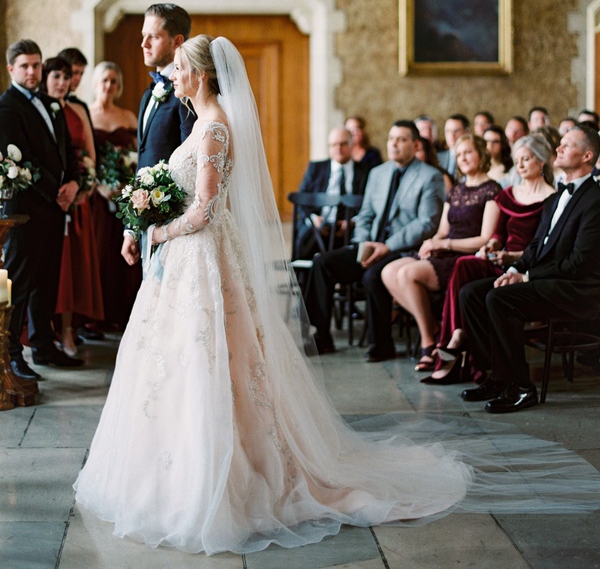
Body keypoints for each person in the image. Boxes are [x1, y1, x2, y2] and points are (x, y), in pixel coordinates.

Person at [73, 39, 600, 552]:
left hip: (202, 253)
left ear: (203, 75)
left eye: (180, 68)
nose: (171, 75)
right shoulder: (200, 123)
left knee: (217, 357)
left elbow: (207, 209)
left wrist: (158, 232)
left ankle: (229, 472)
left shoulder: (213, 129)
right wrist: (149, 213)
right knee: (189, 359)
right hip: (191, 260)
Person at [459, 124, 600, 413]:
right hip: (547, 280)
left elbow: (580, 264)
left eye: (568, 145)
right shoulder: (555, 198)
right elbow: (536, 248)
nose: (558, 148)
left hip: (577, 289)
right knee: (471, 293)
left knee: (499, 299)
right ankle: (498, 377)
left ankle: (523, 387)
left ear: (587, 156)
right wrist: (515, 271)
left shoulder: (596, 200)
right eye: (559, 143)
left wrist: (527, 276)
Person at [303, 121, 445, 358]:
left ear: (415, 144)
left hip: (402, 250)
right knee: (322, 263)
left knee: (373, 276)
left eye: (401, 139)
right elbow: (366, 214)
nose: (394, 144)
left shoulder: (430, 177)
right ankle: (322, 336)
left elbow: (426, 224)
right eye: (391, 138)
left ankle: (382, 344)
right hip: (370, 245)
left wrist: (387, 246)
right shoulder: (378, 173)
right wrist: (362, 244)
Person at [425, 134, 555, 385]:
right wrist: (493, 245)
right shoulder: (508, 194)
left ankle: (459, 343)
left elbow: (544, 246)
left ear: (541, 162)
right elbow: (498, 233)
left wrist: (513, 256)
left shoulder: (551, 198)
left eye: (526, 159)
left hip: (525, 264)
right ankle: (457, 333)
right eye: (517, 160)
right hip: (500, 259)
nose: (520, 165)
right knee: (465, 264)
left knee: (471, 283)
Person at [381, 135, 501, 371]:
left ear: (481, 155)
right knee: (388, 271)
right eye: (460, 154)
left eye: (468, 152)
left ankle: (428, 342)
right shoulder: (456, 189)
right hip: (445, 250)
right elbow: (443, 230)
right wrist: (431, 242)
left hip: (466, 257)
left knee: (407, 275)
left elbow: (485, 238)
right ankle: (436, 327)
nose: (463, 158)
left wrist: (445, 245)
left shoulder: (492, 189)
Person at [0, 40, 82, 380]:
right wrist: (55, 191)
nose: (33, 72)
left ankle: (45, 347)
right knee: (19, 286)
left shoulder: (52, 104)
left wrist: (74, 183)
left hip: (54, 208)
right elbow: (19, 158)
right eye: (25, 66)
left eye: (36, 65)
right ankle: (12, 356)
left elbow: (67, 151)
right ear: (11, 70)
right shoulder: (6, 106)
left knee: (47, 280)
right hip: (25, 210)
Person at [121, 3, 196, 268]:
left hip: (175, 225)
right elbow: (145, 162)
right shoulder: (148, 93)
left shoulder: (188, 95)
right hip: (148, 224)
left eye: (153, 36)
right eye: (143, 36)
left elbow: (191, 164)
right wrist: (133, 226)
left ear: (177, 41)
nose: (143, 43)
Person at [43, 56, 104, 357]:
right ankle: (45, 331)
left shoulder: (79, 110)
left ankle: (68, 331)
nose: (64, 82)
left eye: (68, 77)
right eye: (57, 76)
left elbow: (90, 154)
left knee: (72, 269)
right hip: (48, 200)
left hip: (77, 199)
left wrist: (85, 185)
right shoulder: (39, 108)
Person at [89, 61, 142, 330]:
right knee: (99, 251)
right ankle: (97, 317)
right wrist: (98, 183)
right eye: (104, 80)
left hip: (124, 194)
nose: (108, 86)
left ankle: (124, 314)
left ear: (118, 86)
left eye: (113, 81)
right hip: (96, 196)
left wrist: (126, 181)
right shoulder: (87, 114)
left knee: (124, 253)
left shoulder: (129, 117)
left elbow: (138, 154)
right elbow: (83, 155)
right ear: (95, 83)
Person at [294, 127, 369, 259]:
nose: (338, 148)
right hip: (318, 226)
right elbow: (302, 200)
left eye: (343, 144)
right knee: (304, 239)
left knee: (362, 241)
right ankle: (301, 278)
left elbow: (371, 204)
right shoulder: (316, 168)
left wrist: (353, 222)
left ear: (352, 145)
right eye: (334, 144)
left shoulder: (366, 171)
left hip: (350, 227)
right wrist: (314, 218)